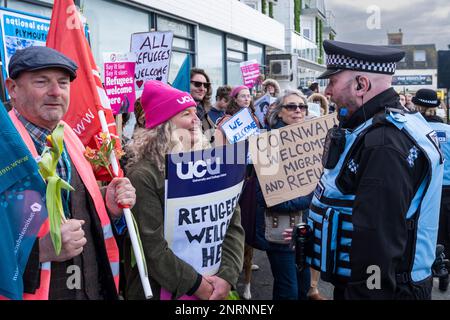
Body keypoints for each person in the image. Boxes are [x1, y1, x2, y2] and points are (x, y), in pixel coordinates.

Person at [304, 40, 444, 300]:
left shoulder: (383, 144)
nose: (327, 91)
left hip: (383, 289)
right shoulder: (384, 128)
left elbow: (377, 242)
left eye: (332, 81)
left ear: (361, 85)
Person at [4, 46, 136, 300]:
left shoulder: (69, 136)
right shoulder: (3, 147)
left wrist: (104, 203)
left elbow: (75, 205)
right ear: (12, 88)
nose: (56, 92)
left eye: (63, 83)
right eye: (42, 82)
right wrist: (37, 252)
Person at [124, 80, 244, 300]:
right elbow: (152, 247)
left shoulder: (213, 165)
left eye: (195, 112)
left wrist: (227, 277)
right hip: (167, 290)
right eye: (186, 114)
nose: (196, 119)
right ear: (165, 125)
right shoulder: (143, 175)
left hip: (217, 284)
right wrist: (199, 286)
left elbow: (231, 226)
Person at [254, 89, 314, 300]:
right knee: (288, 290)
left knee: (303, 286)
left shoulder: (312, 142)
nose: (298, 110)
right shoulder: (266, 143)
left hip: (305, 230)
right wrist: (309, 197)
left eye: (302, 106)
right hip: (280, 230)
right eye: (291, 106)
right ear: (279, 113)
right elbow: (266, 197)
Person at [215, 85, 261, 300]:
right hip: (233, 176)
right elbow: (220, 150)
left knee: (247, 222)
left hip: (252, 175)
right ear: (234, 99)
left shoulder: (254, 117)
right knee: (232, 224)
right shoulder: (225, 121)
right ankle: (229, 268)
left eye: (248, 95)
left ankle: (247, 259)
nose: (246, 98)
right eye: (242, 95)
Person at [413, 89, 450, 291]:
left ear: (417, 106)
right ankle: (445, 270)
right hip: (448, 190)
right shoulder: (449, 130)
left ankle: (430, 269)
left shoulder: (414, 130)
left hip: (425, 190)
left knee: (428, 234)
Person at [190, 68, 215, 143]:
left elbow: (210, 138)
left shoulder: (204, 110)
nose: (202, 88)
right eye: (197, 84)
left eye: (205, 85)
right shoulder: (177, 113)